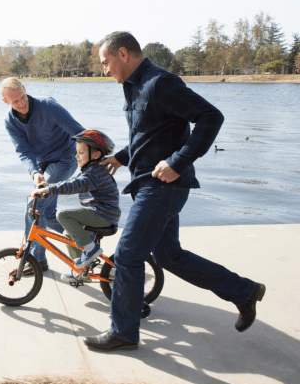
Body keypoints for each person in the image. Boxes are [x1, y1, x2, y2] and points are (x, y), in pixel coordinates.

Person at [84, 31, 265, 352]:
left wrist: (179, 162)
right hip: (146, 185)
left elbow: (210, 117)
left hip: (163, 186)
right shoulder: (135, 86)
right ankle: (244, 291)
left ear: (122, 54)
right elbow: (150, 133)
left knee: (127, 256)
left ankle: (123, 332)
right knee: (168, 255)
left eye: (105, 62)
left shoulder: (159, 83)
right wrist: (121, 158)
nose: (104, 70)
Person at [1, 78, 85, 273]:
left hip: (67, 158)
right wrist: (35, 173)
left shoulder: (47, 106)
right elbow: (23, 151)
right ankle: (80, 236)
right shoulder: (10, 121)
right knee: (46, 213)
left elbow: (78, 131)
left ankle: (37, 261)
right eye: (15, 102)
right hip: (43, 165)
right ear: (6, 102)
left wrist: (101, 155)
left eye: (22, 97)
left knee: (35, 204)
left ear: (25, 89)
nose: (21, 104)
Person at [31, 130, 120, 280]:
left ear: (96, 155)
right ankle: (81, 270)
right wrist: (48, 185)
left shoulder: (94, 173)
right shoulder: (91, 170)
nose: (76, 156)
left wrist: (50, 190)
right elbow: (70, 183)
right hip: (101, 213)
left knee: (62, 214)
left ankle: (90, 249)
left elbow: (75, 185)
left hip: (103, 215)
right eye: (76, 152)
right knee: (68, 234)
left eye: (81, 152)